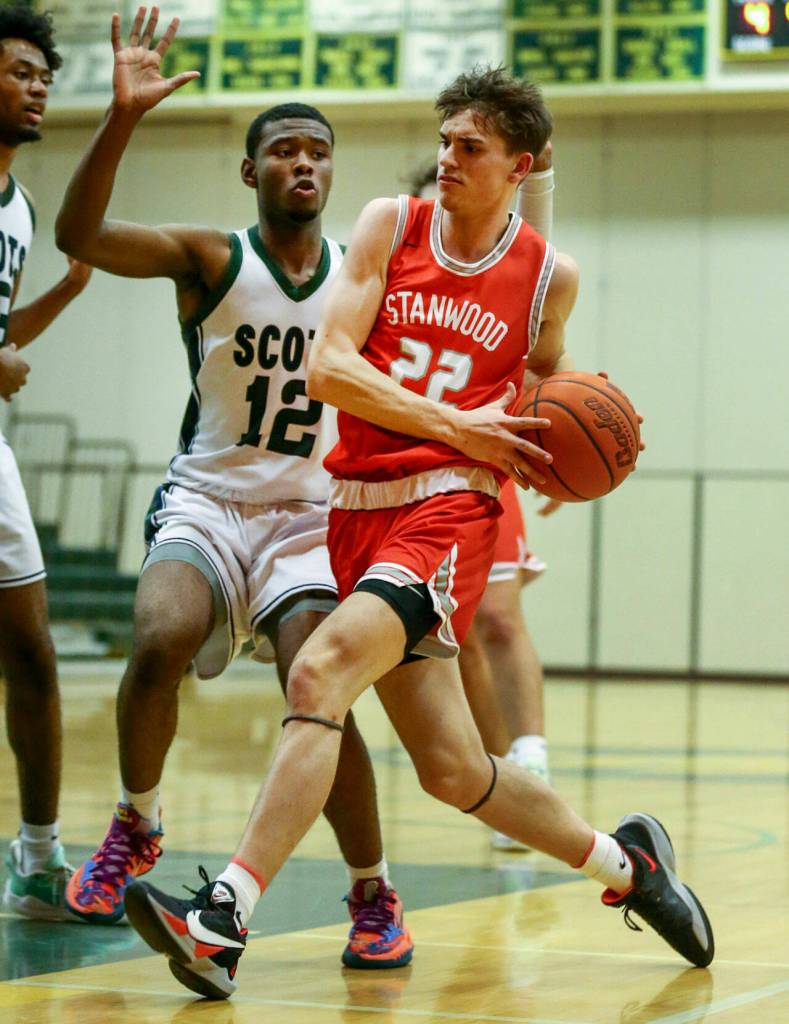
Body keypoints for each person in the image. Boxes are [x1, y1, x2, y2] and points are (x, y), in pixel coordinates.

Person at [124, 63, 714, 1000]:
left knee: (316, 671)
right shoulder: (388, 225)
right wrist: (460, 421)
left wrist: (546, 447)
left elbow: (538, 384)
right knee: (451, 771)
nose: (445, 158)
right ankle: (627, 867)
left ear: (516, 165)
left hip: (449, 514)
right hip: (355, 509)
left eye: (468, 147)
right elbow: (329, 369)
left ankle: (222, 919)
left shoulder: (549, 275)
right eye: (442, 141)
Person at [55, 7, 411, 969]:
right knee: (161, 634)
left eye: (318, 151)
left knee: (319, 687)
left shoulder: (360, 279)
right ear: (250, 172)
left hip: (308, 516)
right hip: (208, 500)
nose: (304, 164)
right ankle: (136, 822)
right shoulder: (210, 258)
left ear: (331, 171)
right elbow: (76, 232)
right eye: (283, 151)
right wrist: (122, 114)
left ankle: (374, 894)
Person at [410, 153, 560, 850]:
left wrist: (556, 455)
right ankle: (504, 781)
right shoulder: (393, 270)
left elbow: (537, 292)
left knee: (499, 615)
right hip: (408, 468)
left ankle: (532, 757)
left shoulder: (502, 275)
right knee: (455, 634)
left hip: (484, 460)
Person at [0, 3, 93, 921]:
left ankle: (36, 860)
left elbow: (1, 337)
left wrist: (63, 294)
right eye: (20, 71)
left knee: (31, 649)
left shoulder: (22, 208)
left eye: (43, 77)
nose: (37, 89)